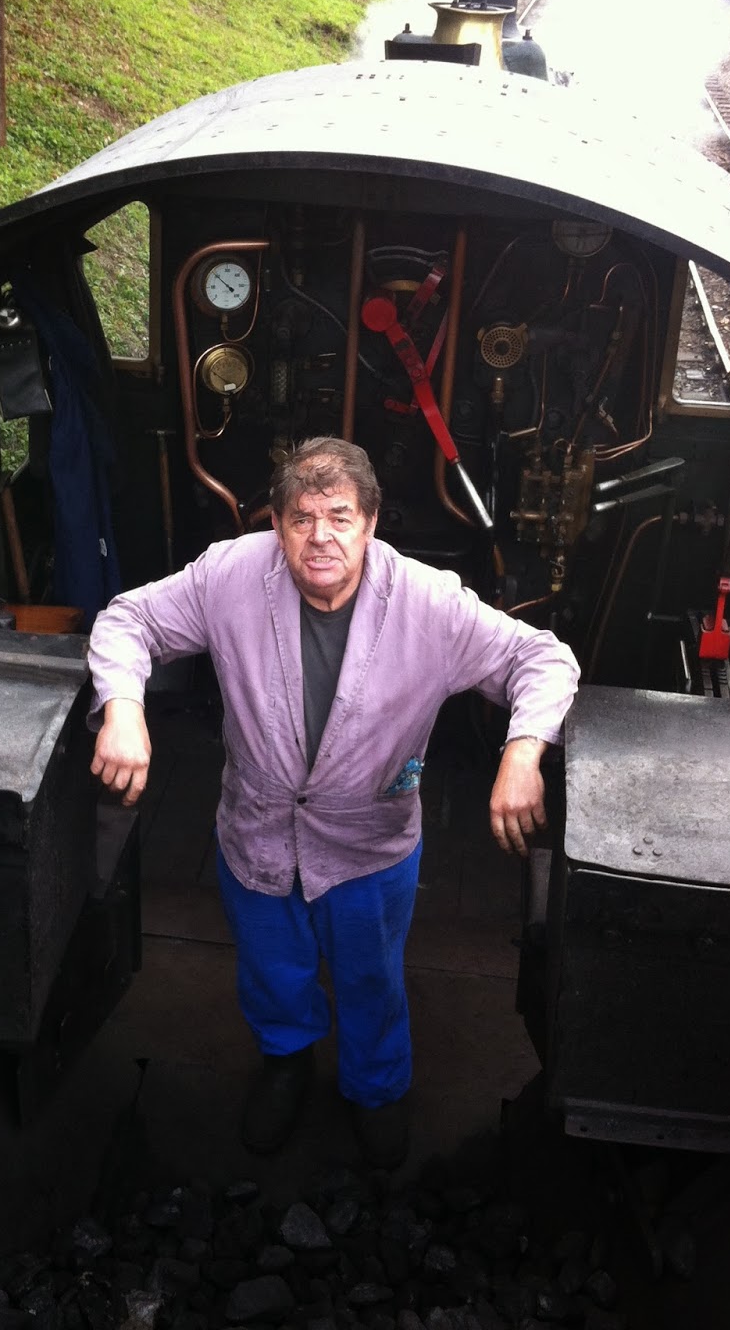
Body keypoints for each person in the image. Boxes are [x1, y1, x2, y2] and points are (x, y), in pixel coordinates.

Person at [87, 437, 579, 1168]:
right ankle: (285, 1063)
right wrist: (124, 709)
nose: (320, 536)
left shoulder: (428, 601)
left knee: (370, 980)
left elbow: (539, 657)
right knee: (271, 969)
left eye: (340, 517)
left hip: (368, 843)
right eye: (301, 518)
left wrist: (522, 751)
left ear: (370, 523)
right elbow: (128, 621)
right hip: (255, 831)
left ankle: (375, 1090)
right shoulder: (229, 574)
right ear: (277, 525)